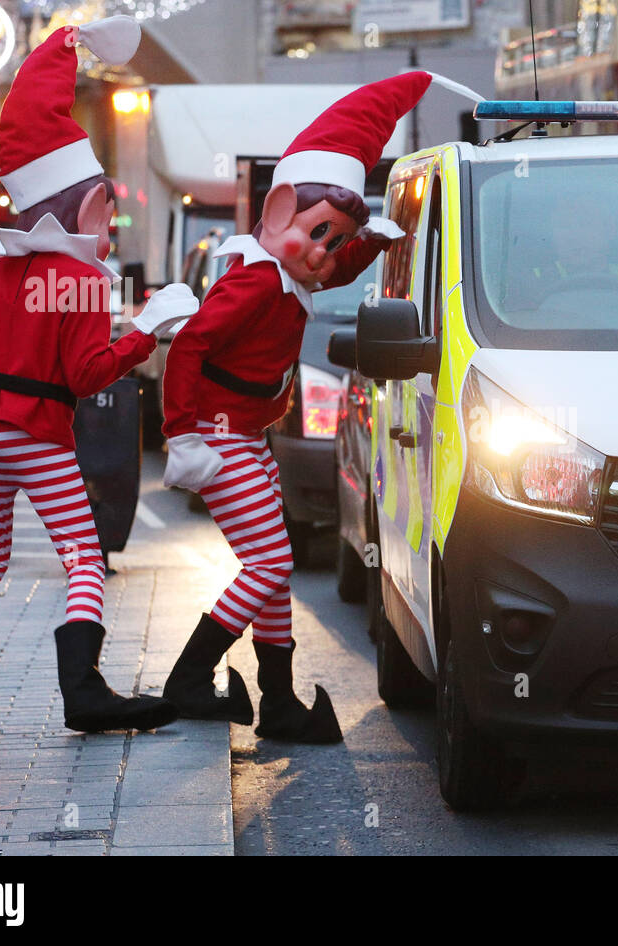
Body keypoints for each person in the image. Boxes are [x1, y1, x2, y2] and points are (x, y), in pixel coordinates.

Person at [159, 72, 467, 743]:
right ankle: (189, 677)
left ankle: (279, 700)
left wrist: (372, 243)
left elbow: (332, 269)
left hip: (243, 438)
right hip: (219, 439)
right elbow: (189, 348)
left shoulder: (284, 276)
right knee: (270, 564)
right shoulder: (250, 280)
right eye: (318, 234)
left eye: (334, 240)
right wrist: (182, 434)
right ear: (275, 215)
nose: (323, 254)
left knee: (272, 573)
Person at [0, 16, 195, 734]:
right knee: (84, 555)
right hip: (35, 433)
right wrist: (144, 333)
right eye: (107, 215)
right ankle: (84, 692)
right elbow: (84, 376)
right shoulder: (81, 280)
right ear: (84, 208)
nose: (110, 231)